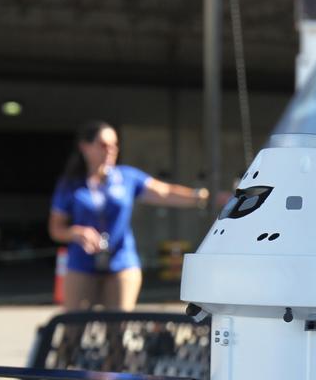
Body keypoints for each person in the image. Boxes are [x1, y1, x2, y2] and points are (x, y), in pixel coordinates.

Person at [48, 121, 210, 311]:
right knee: (73, 323)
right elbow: (55, 229)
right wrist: (76, 232)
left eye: (114, 145)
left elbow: (164, 192)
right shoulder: (70, 184)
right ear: (85, 147)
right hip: (82, 262)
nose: (110, 150)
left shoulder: (126, 177)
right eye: (103, 144)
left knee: (119, 322)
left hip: (121, 259)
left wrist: (203, 197)